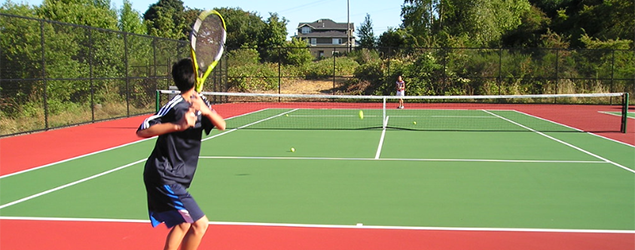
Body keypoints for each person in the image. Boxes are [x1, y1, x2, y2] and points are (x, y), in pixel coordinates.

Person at [136, 58, 226, 250]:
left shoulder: (201, 102)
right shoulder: (175, 104)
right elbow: (142, 130)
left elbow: (222, 125)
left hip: (179, 175)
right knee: (200, 224)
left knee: (183, 223)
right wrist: (178, 126)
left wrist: (205, 111)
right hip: (164, 175)